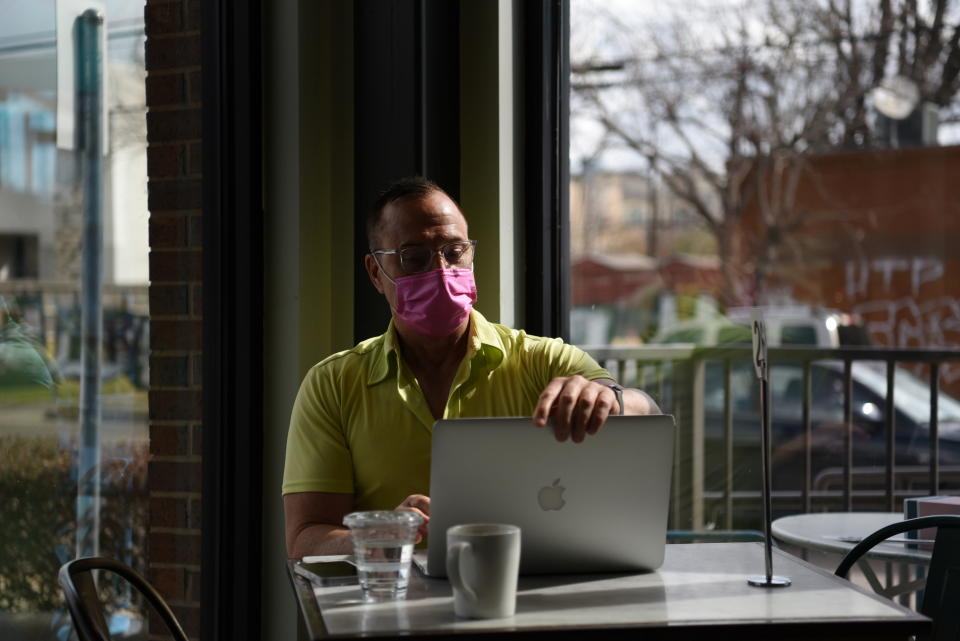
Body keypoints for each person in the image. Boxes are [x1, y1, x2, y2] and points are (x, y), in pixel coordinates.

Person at [283, 177, 659, 557]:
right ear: (375, 272)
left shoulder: (546, 361)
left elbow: (644, 412)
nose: (441, 271)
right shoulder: (333, 383)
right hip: (393, 606)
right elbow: (305, 538)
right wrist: (377, 536)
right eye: (414, 257)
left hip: (526, 597)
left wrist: (611, 397)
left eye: (455, 251)